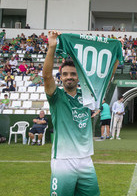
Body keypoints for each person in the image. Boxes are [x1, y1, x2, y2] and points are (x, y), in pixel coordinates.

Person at [44, 30, 119, 196]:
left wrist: (117, 52)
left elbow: (108, 76)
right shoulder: (56, 97)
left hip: (86, 161)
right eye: (65, 74)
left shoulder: (88, 96)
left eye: (73, 74)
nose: (69, 77)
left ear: (78, 77)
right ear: (60, 77)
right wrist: (52, 47)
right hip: (63, 161)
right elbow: (46, 77)